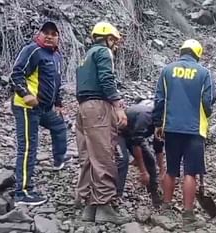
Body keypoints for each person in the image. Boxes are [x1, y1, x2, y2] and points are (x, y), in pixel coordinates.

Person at [153, 39, 216, 231]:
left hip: (171, 128)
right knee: (190, 172)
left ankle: (166, 207)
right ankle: (188, 216)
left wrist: (158, 124)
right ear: (197, 53)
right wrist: (207, 113)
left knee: (171, 169)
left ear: (181, 52)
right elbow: (209, 99)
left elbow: (159, 99)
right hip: (194, 130)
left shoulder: (167, 71)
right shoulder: (204, 73)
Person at [75, 22, 131, 224]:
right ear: (109, 38)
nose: (115, 45)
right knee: (104, 156)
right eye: (115, 41)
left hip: (83, 109)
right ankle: (105, 207)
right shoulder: (103, 52)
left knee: (89, 157)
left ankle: (91, 206)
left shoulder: (86, 56)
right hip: (98, 108)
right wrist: (117, 105)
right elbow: (107, 79)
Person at [10, 21, 69, 206]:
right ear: (40, 34)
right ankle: (23, 192)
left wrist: (58, 103)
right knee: (28, 147)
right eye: (46, 33)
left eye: (54, 33)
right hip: (26, 107)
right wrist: (26, 94)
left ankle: (58, 160)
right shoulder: (33, 50)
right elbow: (15, 74)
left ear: (58, 37)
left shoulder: (56, 56)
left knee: (59, 126)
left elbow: (56, 82)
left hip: (43, 108)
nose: (49, 36)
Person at [116, 99, 163, 207]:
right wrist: (143, 172)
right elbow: (136, 142)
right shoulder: (146, 117)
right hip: (119, 132)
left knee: (150, 160)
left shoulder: (161, 124)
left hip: (133, 135)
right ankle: (115, 196)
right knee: (123, 160)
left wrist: (162, 171)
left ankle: (154, 193)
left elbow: (158, 146)